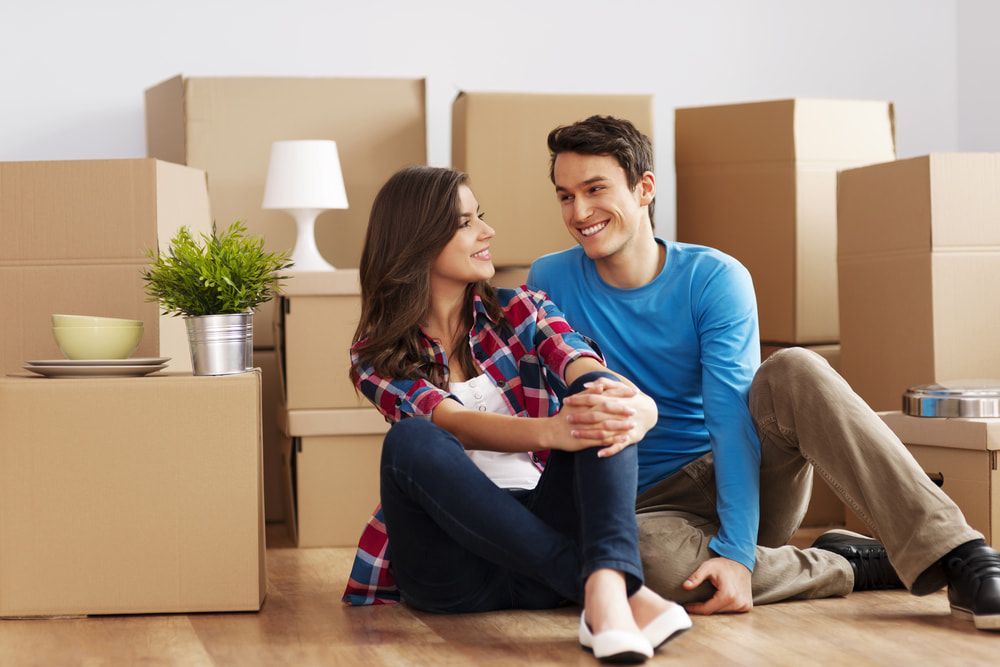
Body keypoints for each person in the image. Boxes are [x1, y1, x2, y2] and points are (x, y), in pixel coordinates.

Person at [527, 115, 1000, 630]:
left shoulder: (713, 277)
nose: (580, 211)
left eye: (595, 189)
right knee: (637, 562)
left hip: (741, 475)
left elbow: (731, 420)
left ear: (644, 189)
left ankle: (960, 553)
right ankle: (853, 564)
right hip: (641, 509)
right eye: (565, 196)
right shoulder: (550, 278)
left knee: (794, 369)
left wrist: (735, 550)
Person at [340, 165, 692, 662]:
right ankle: (610, 590)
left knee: (598, 398)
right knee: (412, 440)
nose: (487, 232)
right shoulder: (375, 354)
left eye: (479, 217)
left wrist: (629, 404)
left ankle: (605, 592)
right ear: (417, 241)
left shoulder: (521, 308)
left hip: (540, 533)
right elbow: (451, 422)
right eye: (465, 223)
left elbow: (579, 361)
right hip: (451, 571)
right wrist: (551, 431)